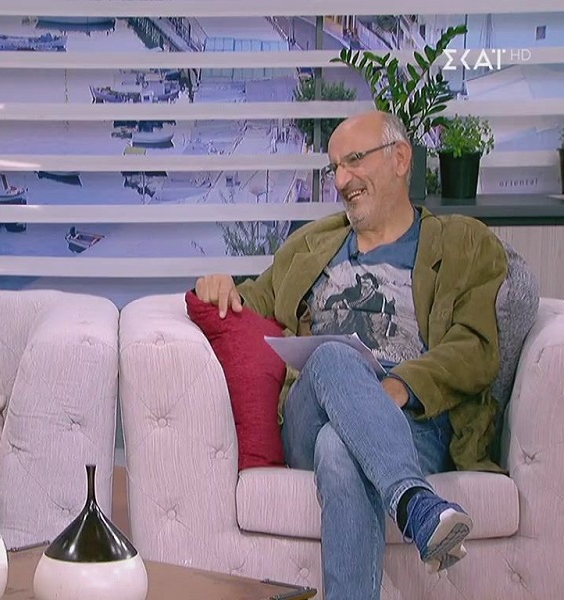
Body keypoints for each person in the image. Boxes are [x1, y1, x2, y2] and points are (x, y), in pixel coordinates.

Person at [194, 110, 508, 599]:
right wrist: (218, 286)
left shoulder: (464, 243)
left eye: (355, 160)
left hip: (414, 422)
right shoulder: (312, 245)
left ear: (400, 158)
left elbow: (476, 346)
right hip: (311, 412)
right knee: (332, 356)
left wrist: (400, 387)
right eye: (335, 167)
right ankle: (416, 504)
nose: (342, 180)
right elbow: (253, 301)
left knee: (339, 449)